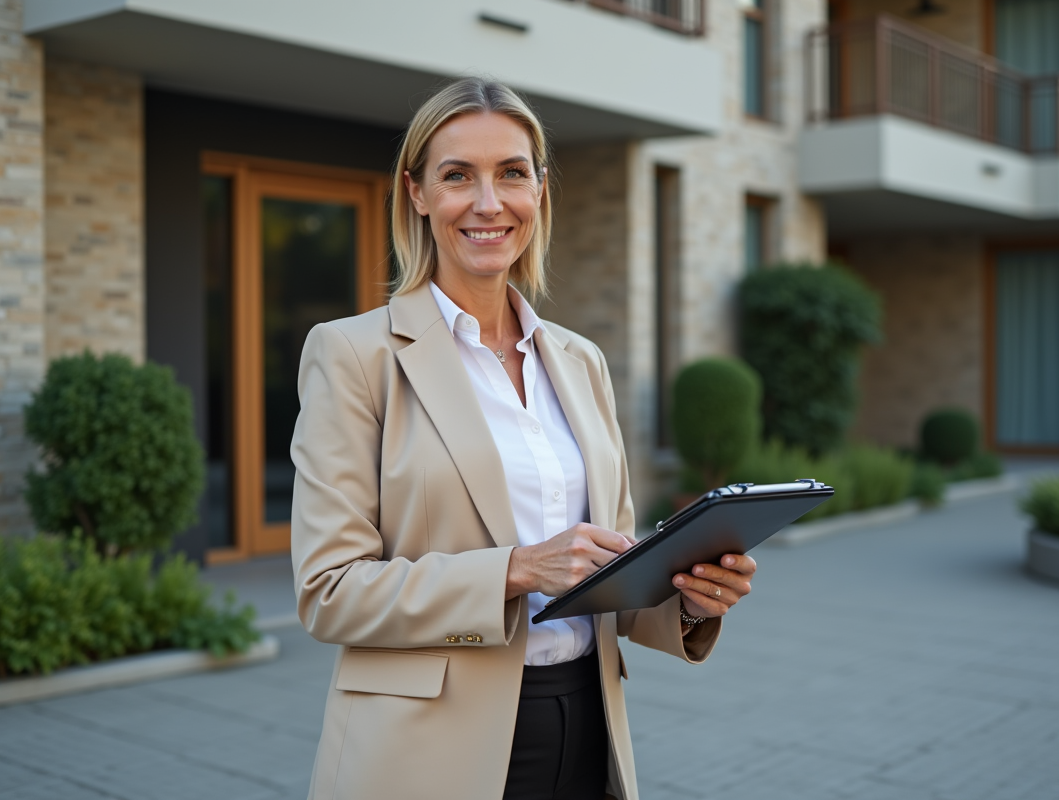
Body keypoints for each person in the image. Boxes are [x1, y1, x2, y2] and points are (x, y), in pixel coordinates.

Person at [290, 77, 757, 800]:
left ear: (539, 189)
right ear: (416, 193)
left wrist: (690, 598)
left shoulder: (580, 361)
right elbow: (329, 592)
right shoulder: (354, 354)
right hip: (427, 748)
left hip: (586, 723)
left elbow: (607, 575)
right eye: (457, 176)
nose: (488, 203)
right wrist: (515, 569)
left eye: (512, 173)